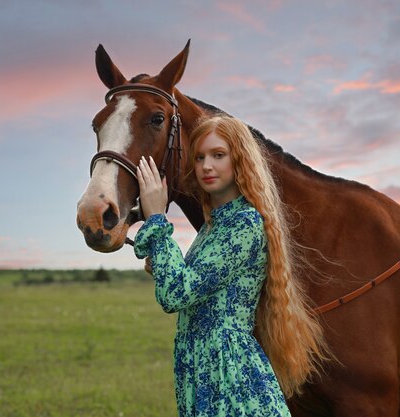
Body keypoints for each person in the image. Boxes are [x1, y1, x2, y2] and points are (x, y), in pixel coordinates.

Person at [134, 116, 326, 416]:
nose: (206, 166)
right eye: (199, 157)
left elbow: (176, 294)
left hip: (229, 375)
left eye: (218, 155)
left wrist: (157, 217)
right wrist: (162, 258)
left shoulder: (244, 224)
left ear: (240, 160)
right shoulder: (213, 228)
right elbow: (190, 286)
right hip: (200, 365)